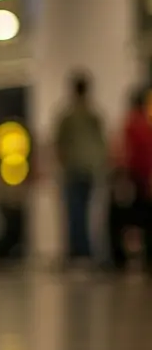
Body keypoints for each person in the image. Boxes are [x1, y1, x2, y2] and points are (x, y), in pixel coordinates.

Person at [53, 72, 107, 264]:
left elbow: (58, 145)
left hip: (74, 169)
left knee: (75, 213)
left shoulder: (68, 116)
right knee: (85, 213)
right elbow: (102, 145)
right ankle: (86, 253)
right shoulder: (94, 115)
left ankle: (79, 253)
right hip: (90, 169)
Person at [114, 86, 152, 272]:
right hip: (142, 179)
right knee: (142, 219)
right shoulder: (144, 123)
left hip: (134, 177)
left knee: (130, 220)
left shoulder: (131, 123)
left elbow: (126, 153)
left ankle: (127, 257)